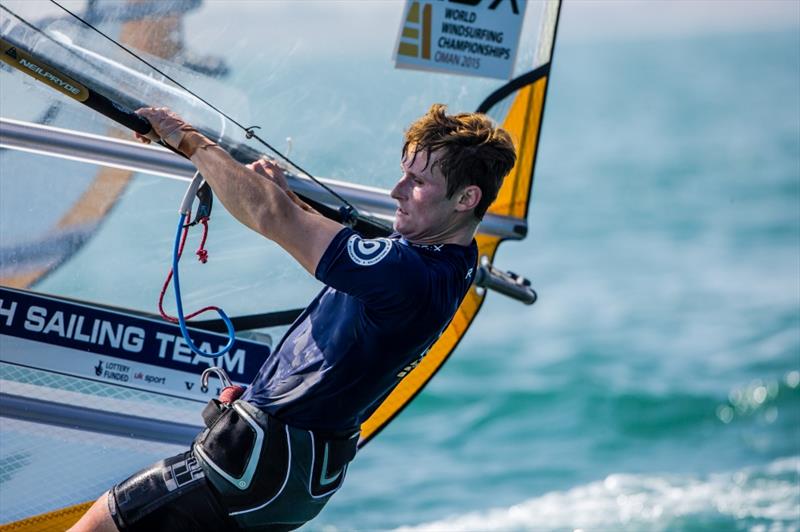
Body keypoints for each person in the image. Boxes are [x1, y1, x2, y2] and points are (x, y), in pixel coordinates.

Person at [70, 104, 516, 531]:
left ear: (466, 198)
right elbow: (329, 243)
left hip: (255, 468)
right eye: (402, 173)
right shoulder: (455, 260)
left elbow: (269, 215)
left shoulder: (406, 275)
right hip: (294, 475)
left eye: (416, 182)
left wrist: (187, 141)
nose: (396, 191)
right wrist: (290, 201)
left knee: (99, 525)